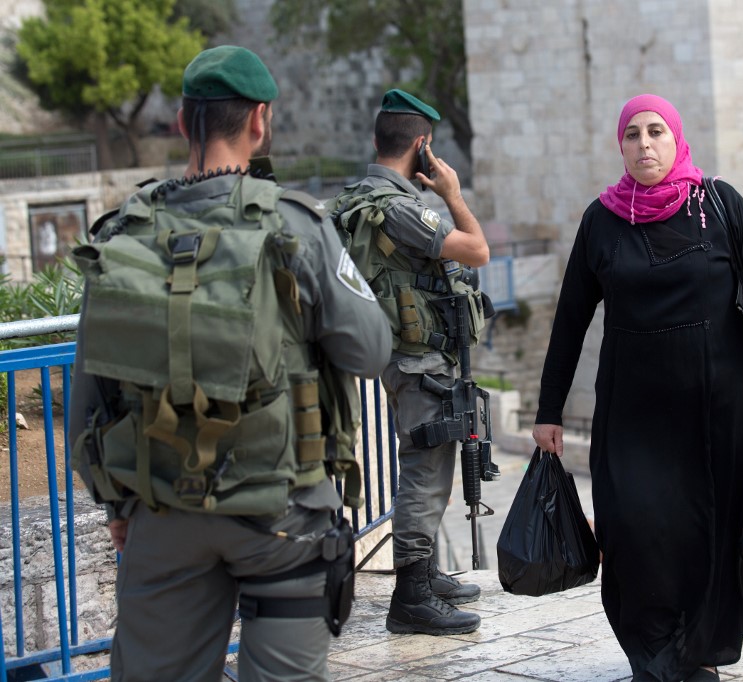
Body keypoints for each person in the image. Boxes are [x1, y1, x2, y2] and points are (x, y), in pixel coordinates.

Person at [68, 46, 392, 681]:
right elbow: (371, 350)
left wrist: (115, 507)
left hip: (163, 514)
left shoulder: (120, 236)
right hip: (286, 513)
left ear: (185, 122)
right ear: (259, 122)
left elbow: (88, 398)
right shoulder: (298, 225)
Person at [531, 94, 743, 682]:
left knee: (713, 529)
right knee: (633, 528)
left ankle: (697, 651)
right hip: (633, 414)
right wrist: (548, 409)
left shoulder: (720, 204)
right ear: (621, 146)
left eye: (656, 131)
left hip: (719, 409)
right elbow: (570, 319)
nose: (645, 144)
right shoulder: (601, 221)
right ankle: (652, 653)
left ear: (675, 137)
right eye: (632, 134)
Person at [336, 89, 490, 636]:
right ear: (422, 145)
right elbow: (477, 249)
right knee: (425, 473)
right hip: (418, 359)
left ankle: (423, 573)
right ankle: (412, 596)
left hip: (402, 352)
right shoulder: (399, 206)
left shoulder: (356, 196)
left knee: (431, 467)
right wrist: (451, 192)